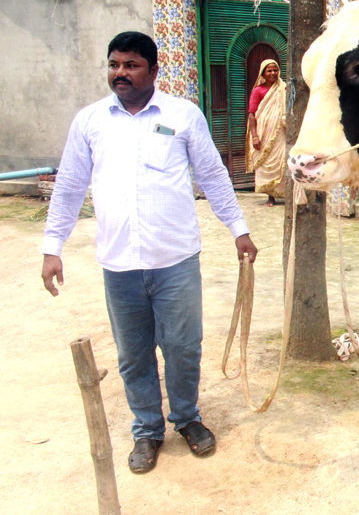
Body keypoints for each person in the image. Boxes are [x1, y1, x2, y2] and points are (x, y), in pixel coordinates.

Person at [41, 31, 258, 474]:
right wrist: (52, 247)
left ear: (154, 71)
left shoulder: (183, 116)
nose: (120, 73)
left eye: (131, 65)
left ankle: (187, 418)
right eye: (115, 64)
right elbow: (68, 188)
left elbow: (213, 175)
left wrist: (238, 229)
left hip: (175, 259)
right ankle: (146, 430)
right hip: (118, 264)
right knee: (133, 353)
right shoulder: (90, 121)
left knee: (182, 347)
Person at [246, 59, 287, 207]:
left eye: (275, 70)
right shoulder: (258, 90)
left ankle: (284, 194)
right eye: (269, 70)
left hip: (281, 133)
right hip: (264, 134)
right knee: (266, 164)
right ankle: (270, 197)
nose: (272, 73)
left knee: (281, 161)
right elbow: (252, 114)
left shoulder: (284, 88)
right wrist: (255, 136)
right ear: (263, 73)